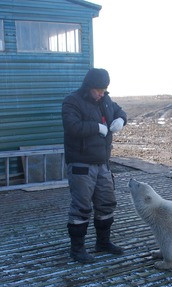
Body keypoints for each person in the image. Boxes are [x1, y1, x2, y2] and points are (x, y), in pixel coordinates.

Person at [62, 68, 127, 263]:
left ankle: (103, 242)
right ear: (89, 86)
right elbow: (72, 126)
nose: (101, 93)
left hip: (102, 164)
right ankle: (77, 250)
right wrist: (95, 127)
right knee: (81, 208)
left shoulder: (105, 99)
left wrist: (121, 120)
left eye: (104, 89)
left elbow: (120, 110)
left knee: (107, 204)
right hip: (81, 165)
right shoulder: (72, 101)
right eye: (98, 90)